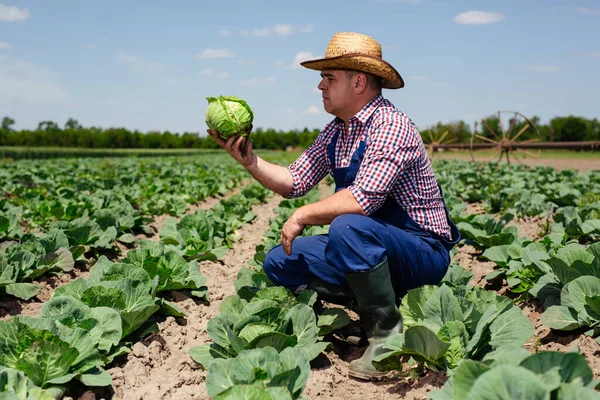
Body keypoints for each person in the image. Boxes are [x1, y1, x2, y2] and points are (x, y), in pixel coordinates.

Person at [207, 31, 460, 380]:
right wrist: (249, 160)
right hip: (371, 241)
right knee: (280, 261)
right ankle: (368, 307)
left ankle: (386, 336)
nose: (320, 87)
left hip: (420, 250)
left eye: (328, 78)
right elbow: (294, 181)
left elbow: (362, 199)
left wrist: (302, 215)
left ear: (358, 82)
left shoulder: (390, 125)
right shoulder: (336, 131)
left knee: (347, 226)